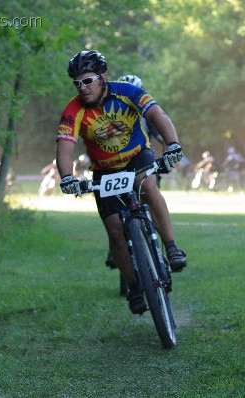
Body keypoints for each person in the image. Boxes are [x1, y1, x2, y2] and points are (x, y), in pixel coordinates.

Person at [56, 50, 187, 315]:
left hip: (138, 157)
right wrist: (67, 177)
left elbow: (157, 115)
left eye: (88, 80)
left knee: (149, 187)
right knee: (115, 230)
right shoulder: (74, 109)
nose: (82, 87)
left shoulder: (126, 91)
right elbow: (64, 147)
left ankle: (171, 247)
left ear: (103, 77)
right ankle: (135, 289)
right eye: (77, 83)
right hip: (104, 171)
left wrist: (172, 144)